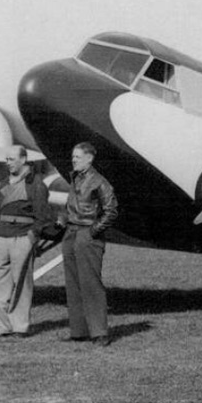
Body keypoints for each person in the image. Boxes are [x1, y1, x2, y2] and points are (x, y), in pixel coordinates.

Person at [0, 145, 55, 338]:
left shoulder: (37, 184)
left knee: (22, 283)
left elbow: (43, 215)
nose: (8, 163)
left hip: (23, 237)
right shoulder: (4, 183)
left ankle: (19, 327)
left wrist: (32, 236)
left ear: (23, 160)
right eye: (7, 159)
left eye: (11, 159)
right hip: (1, 237)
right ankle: (2, 327)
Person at [61, 141, 118, 346]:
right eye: (73, 156)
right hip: (71, 233)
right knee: (73, 283)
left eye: (77, 156)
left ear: (89, 158)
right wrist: (62, 221)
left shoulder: (99, 181)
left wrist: (92, 231)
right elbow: (71, 204)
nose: (73, 159)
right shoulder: (75, 178)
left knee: (91, 284)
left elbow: (111, 211)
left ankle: (100, 333)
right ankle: (79, 331)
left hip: (87, 235)